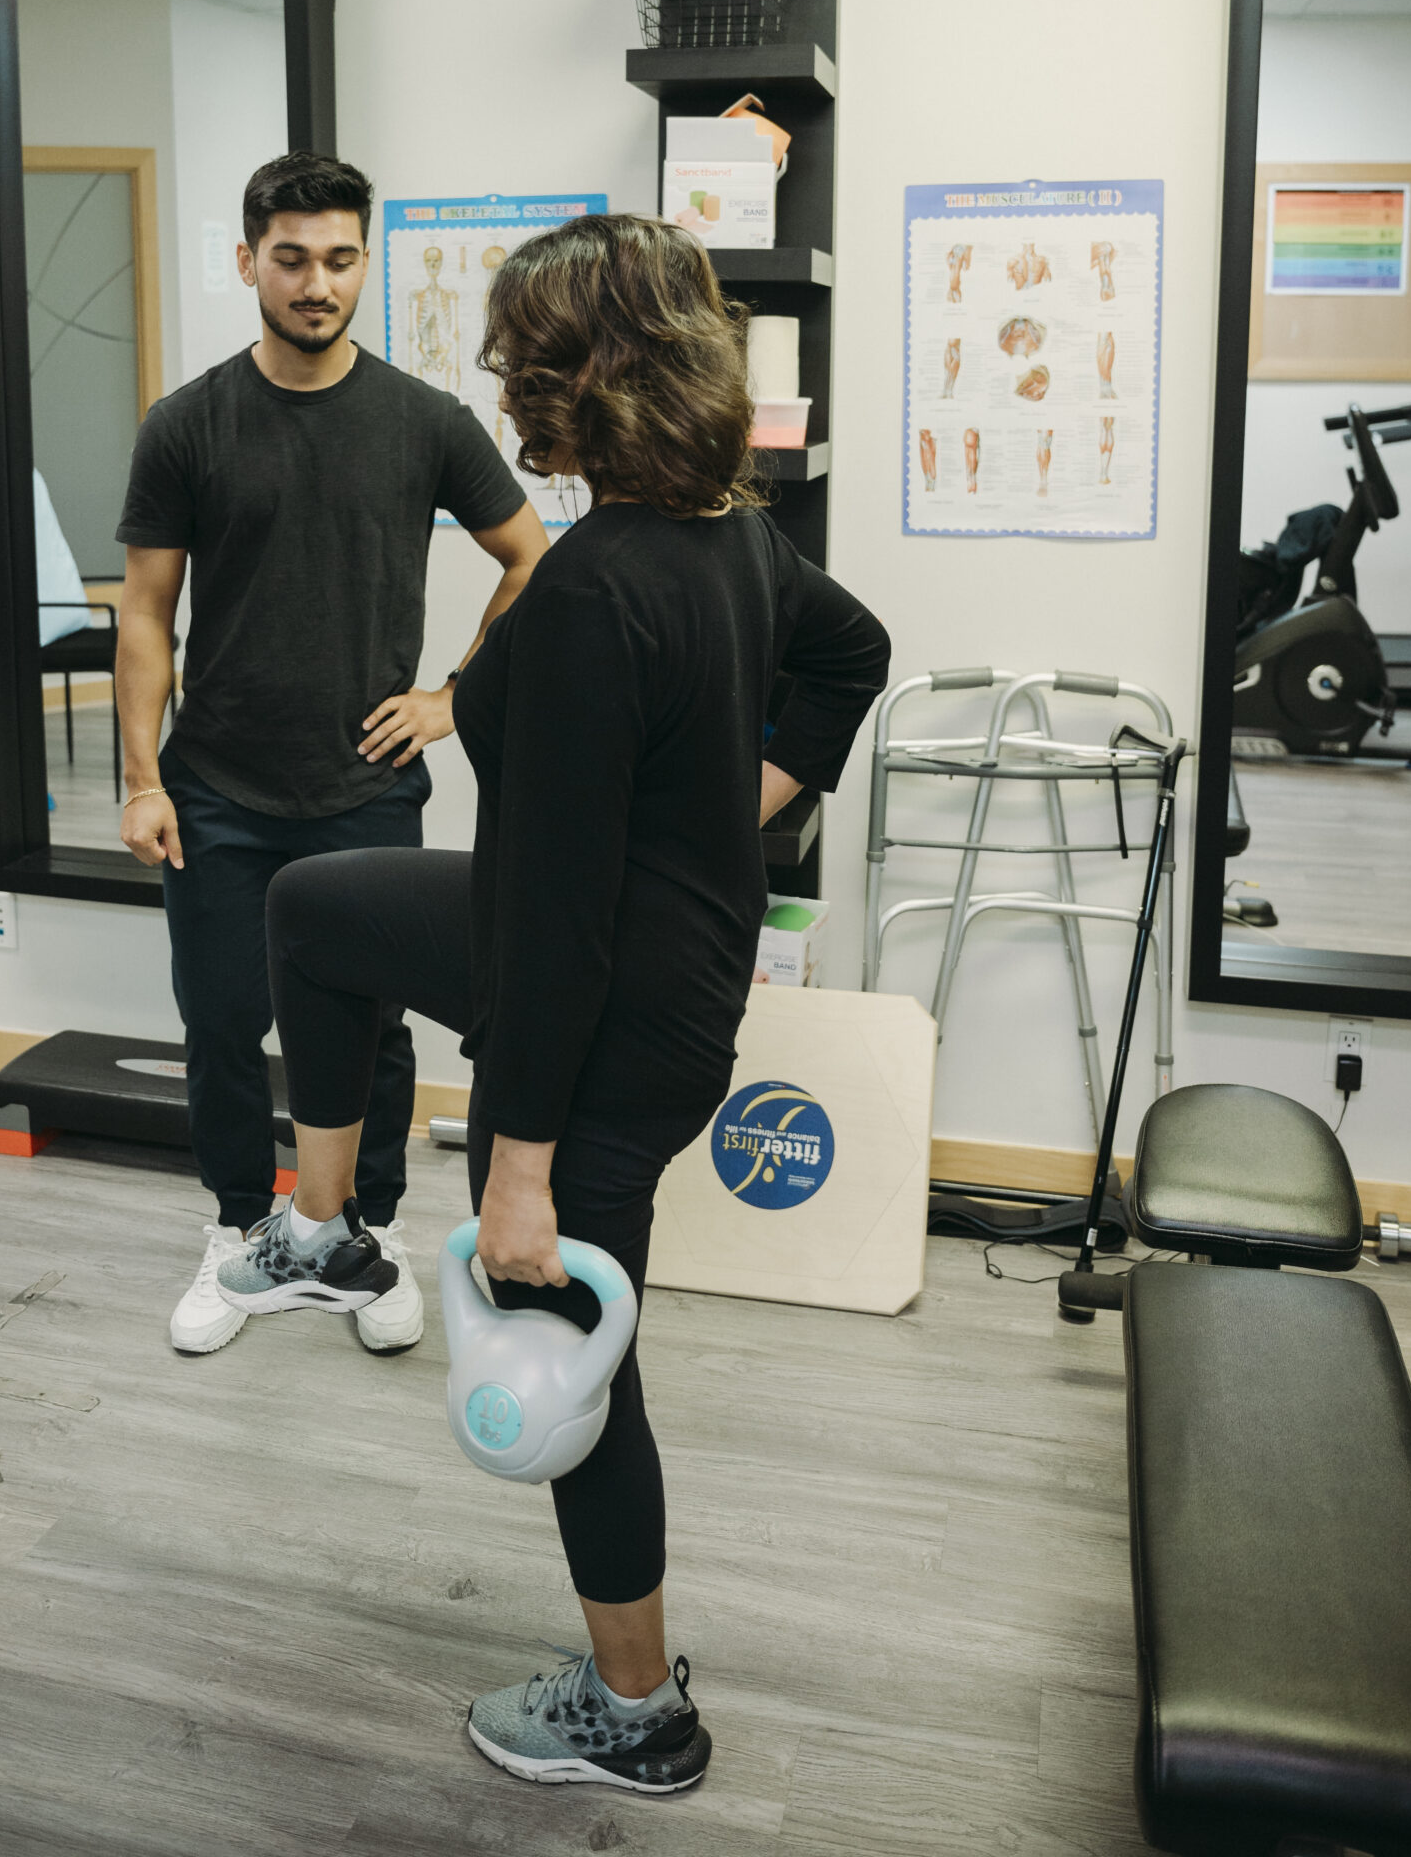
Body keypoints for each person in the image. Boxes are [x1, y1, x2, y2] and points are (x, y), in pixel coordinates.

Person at [216, 212, 890, 1795]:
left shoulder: (596, 588)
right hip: (651, 952)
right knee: (314, 906)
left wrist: (515, 1169)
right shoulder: (721, 529)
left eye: (526, 353)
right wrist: (744, 810)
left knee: (568, 1348)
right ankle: (320, 1225)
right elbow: (849, 651)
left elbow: (562, 924)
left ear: (585, 372)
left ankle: (637, 1714)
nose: (505, 376)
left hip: (599, 1006)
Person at [114, 155, 549, 1358]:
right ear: (247, 260)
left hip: (361, 788)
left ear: (366, 263)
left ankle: (364, 1231)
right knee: (218, 1020)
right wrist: (143, 776)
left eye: (340, 258)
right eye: (292, 257)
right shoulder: (186, 423)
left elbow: (532, 562)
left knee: (377, 1028)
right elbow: (144, 610)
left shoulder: (424, 422)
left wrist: (452, 698)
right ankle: (238, 1226)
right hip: (215, 788)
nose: (317, 282)